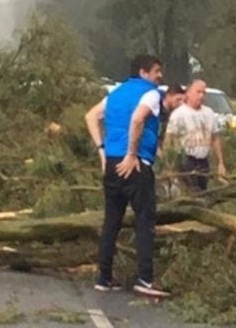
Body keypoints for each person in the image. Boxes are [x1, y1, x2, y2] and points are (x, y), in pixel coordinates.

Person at [83, 54, 170, 298]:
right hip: (135, 164)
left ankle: (104, 277)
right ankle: (145, 278)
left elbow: (90, 116)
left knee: (112, 221)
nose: (159, 77)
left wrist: (102, 150)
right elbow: (138, 118)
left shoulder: (116, 93)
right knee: (144, 220)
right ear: (144, 73)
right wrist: (132, 153)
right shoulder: (151, 94)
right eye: (156, 72)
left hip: (111, 162)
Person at [164, 79, 226, 192]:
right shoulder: (179, 114)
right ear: (188, 93)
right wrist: (169, 166)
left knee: (203, 191)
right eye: (198, 92)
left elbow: (215, 138)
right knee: (192, 191)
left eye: (203, 93)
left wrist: (220, 162)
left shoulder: (209, 113)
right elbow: (169, 140)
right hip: (187, 160)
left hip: (203, 161)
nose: (201, 96)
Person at [156, 83, 187, 156]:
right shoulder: (157, 111)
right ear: (168, 96)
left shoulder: (176, 114)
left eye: (183, 100)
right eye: (178, 99)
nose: (181, 103)